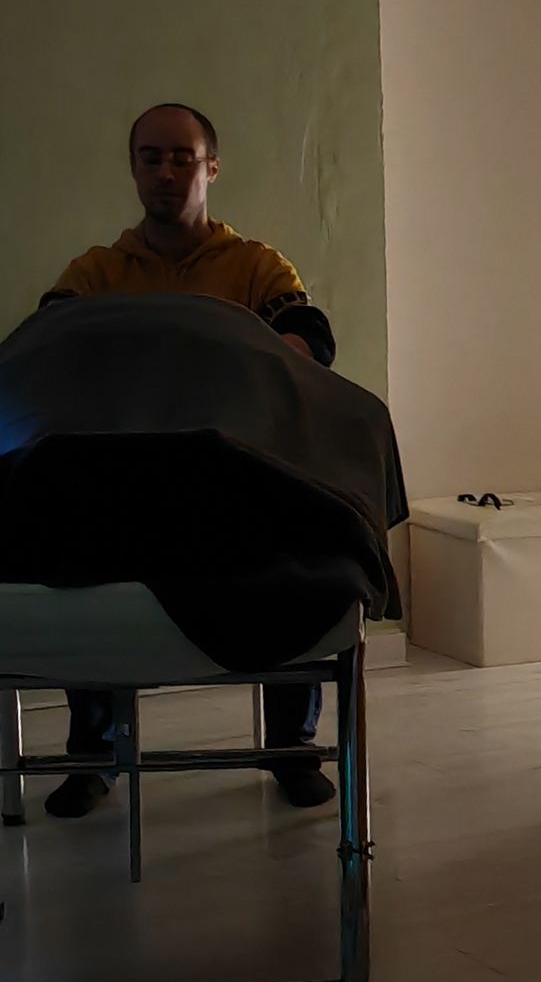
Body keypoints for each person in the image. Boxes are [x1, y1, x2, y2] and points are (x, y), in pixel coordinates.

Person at [34, 103, 338, 817]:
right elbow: (48, 348)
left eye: (182, 157)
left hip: (231, 472)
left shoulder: (257, 265)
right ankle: (94, 756)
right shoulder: (96, 271)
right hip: (126, 476)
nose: (166, 172)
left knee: (299, 539)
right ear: (134, 168)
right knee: (72, 540)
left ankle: (290, 747)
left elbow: (310, 343)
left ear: (211, 168)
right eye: (152, 158)